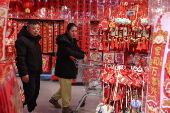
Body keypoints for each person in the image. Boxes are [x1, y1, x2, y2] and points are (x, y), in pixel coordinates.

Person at [49, 23, 87, 113]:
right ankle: (65, 107)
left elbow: (77, 50)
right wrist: (82, 56)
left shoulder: (71, 40)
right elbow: (69, 52)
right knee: (67, 90)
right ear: (68, 31)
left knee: (65, 87)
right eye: (72, 31)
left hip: (69, 67)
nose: (74, 33)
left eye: (76, 31)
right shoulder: (63, 41)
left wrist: (84, 54)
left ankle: (54, 99)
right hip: (64, 68)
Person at [15, 20, 42, 113]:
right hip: (28, 73)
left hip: (36, 72)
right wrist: (24, 73)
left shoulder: (36, 41)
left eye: (38, 28)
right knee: (29, 93)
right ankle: (17, 107)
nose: (36, 30)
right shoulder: (22, 41)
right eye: (34, 28)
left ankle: (29, 109)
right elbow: (20, 58)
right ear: (28, 28)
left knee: (35, 93)